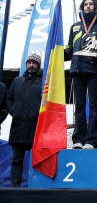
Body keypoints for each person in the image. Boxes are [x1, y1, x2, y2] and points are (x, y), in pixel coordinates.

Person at [64, 0, 97, 150]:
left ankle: (91, 141)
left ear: (96, 6)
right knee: (79, 106)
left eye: (91, 4)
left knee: (93, 106)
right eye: (85, 4)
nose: (87, 6)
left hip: (94, 70)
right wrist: (56, 53)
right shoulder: (75, 27)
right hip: (78, 70)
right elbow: (69, 49)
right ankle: (78, 140)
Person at [8, 54, 43, 187]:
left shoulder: (43, 81)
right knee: (16, 160)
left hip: (36, 128)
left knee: (38, 161)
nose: (31, 65)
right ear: (26, 64)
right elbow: (8, 98)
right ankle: (15, 189)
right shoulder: (17, 80)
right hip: (18, 126)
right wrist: (13, 111)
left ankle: (36, 187)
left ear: (38, 65)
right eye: (29, 62)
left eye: (34, 63)